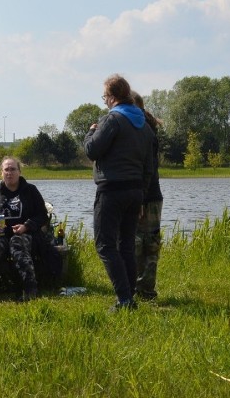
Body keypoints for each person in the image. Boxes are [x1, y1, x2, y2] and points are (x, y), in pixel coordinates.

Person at [84, 75, 154, 311]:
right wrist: (142, 195)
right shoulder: (143, 124)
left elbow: (93, 150)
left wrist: (90, 133)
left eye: (105, 97)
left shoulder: (112, 120)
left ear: (112, 97)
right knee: (125, 245)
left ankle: (124, 299)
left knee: (105, 245)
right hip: (134, 191)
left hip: (111, 189)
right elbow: (149, 167)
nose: (105, 101)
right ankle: (129, 296)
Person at [0, 156, 48, 302]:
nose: (10, 173)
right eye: (6, 170)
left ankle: (29, 289)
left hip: (24, 234)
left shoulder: (30, 190)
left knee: (17, 243)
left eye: (13, 169)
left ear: (19, 172)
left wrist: (26, 226)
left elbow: (42, 215)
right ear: (1, 172)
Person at [132, 90, 163, 301]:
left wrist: (140, 198)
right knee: (149, 244)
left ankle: (142, 289)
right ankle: (145, 290)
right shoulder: (147, 127)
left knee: (140, 243)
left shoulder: (141, 129)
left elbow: (147, 169)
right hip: (152, 195)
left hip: (145, 196)